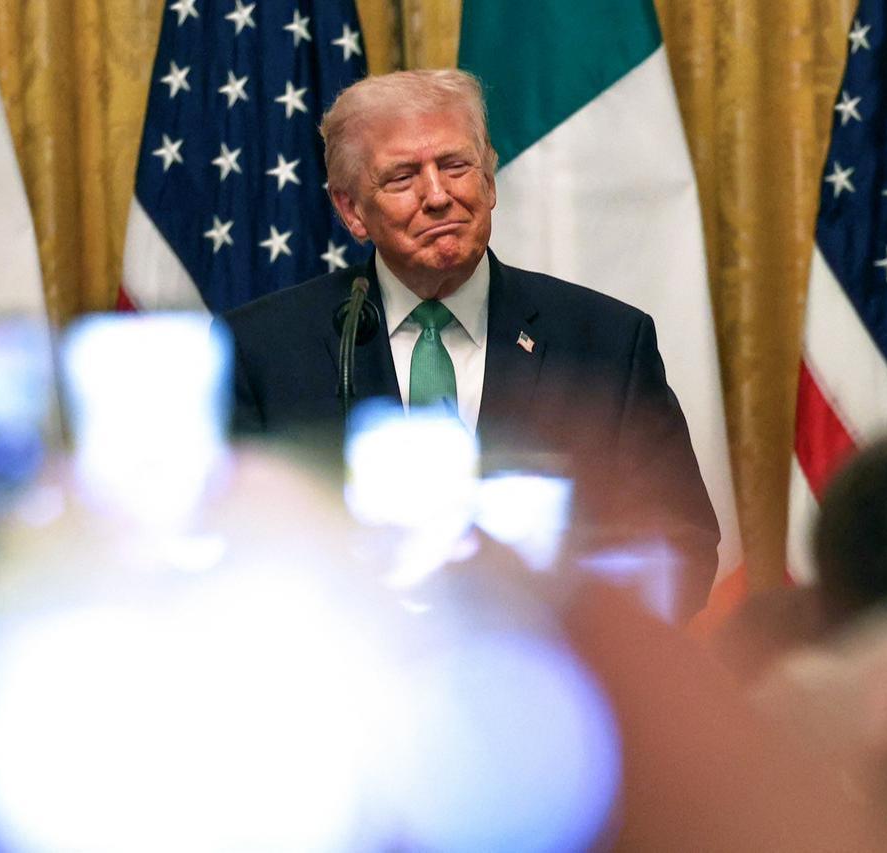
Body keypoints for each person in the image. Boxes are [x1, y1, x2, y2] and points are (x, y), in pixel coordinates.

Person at [223, 70, 719, 618]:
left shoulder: (605, 344)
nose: (438, 196)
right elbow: (230, 556)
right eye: (402, 177)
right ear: (351, 210)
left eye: (456, 166)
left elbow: (680, 545)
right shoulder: (263, 351)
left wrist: (558, 638)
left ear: (490, 180)